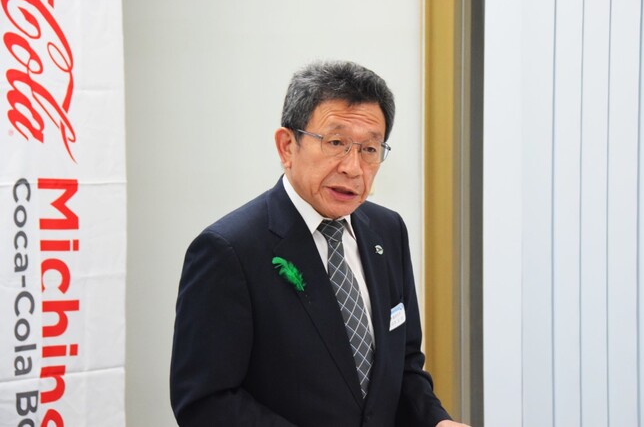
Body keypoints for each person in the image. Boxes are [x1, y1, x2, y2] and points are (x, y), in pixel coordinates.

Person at [170, 61, 470, 427]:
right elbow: (205, 402)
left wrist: (436, 421)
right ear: (287, 146)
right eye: (336, 143)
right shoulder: (228, 250)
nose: (353, 168)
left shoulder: (388, 231)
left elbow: (403, 365)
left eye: (370, 149)